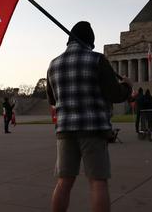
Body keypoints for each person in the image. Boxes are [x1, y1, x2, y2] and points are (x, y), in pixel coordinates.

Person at [46, 21, 131, 212]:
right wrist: (128, 86)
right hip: (93, 129)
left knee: (64, 183)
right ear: (90, 42)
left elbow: (52, 99)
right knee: (98, 182)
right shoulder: (97, 60)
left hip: (65, 130)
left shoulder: (54, 64)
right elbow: (116, 94)